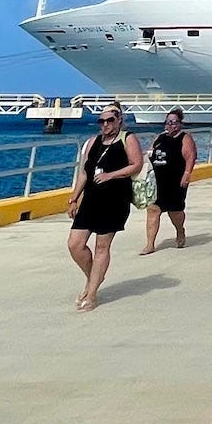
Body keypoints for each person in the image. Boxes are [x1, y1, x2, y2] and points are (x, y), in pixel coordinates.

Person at [66, 102, 145, 311]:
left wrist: (111, 175)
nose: (106, 124)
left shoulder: (127, 139)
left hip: (115, 200)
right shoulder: (93, 142)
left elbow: (137, 164)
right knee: (75, 244)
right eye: (102, 120)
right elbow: (84, 172)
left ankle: (91, 293)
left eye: (111, 119)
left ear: (119, 120)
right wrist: (74, 198)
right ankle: (94, 278)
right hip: (91, 200)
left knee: (102, 246)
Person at [140, 107, 196, 255]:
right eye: (168, 122)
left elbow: (190, 156)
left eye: (174, 122)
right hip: (157, 181)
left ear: (180, 123)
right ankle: (150, 244)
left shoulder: (185, 138)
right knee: (153, 209)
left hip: (176, 180)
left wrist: (187, 173)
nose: (171, 125)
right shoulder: (160, 137)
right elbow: (149, 153)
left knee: (175, 211)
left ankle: (180, 231)